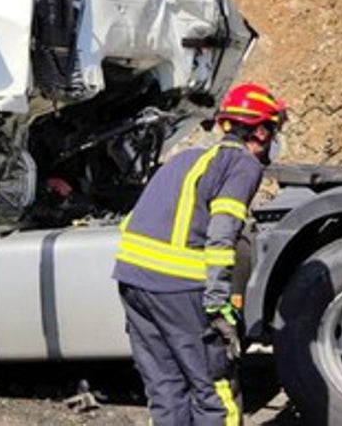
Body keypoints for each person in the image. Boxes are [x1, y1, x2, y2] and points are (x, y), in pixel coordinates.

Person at [113, 82, 286, 426]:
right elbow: (222, 234)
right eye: (274, 129)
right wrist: (218, 300)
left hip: (132, 281)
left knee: (165, 387)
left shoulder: (187, 159)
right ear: (262, 131)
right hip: (180, 289)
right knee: (214, 388)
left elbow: (134, 220)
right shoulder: (242, 164)